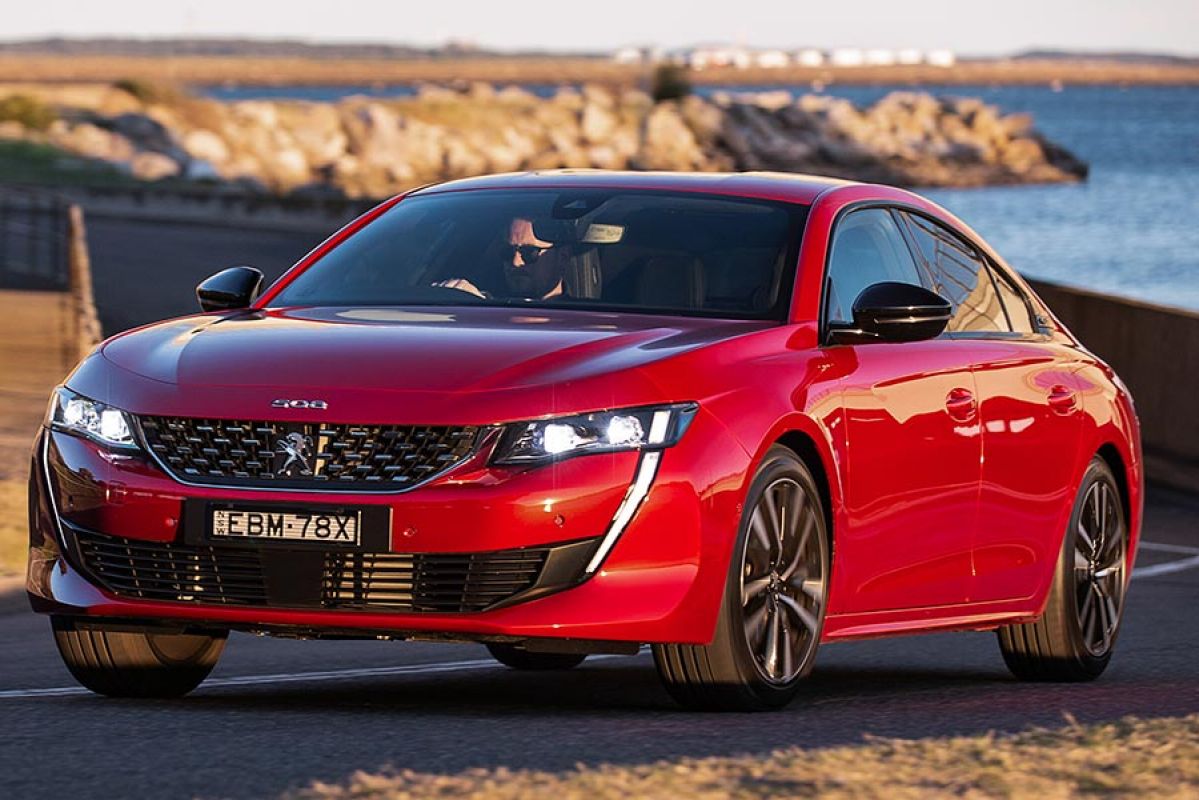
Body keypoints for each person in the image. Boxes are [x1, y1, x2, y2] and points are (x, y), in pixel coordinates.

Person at [436, 217, 566, 300]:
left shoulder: (580, 323)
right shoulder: (486, 304)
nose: (515, 262)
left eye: (529, 253)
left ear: (562, 258)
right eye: (507, 252)